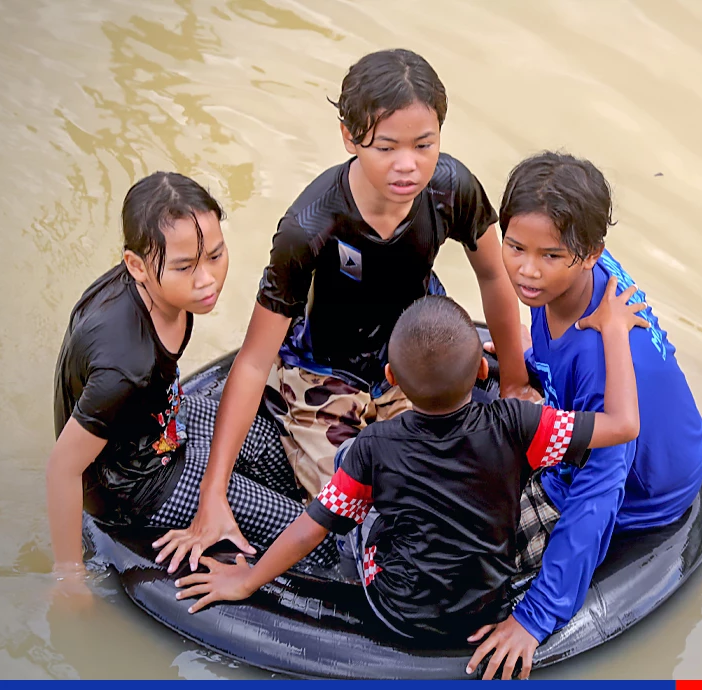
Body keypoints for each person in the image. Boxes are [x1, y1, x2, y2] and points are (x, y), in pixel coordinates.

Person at [153, 49, 537, 574]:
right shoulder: (310, 226)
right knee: (366, 508)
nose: (409, 165)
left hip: (415, 359)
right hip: (324, 371)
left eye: (424, 145)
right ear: (349, 137)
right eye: (386, 147)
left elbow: (493, 275)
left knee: (458, 488)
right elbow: (252, 359)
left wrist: (513, 379)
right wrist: (212, 495)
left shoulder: (451, 189)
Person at [173, 288, 646, 657]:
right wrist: (615, 333)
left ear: (392, 379)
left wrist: (250, 579)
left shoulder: (372, 448)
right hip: (489, 604)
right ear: (484, 369)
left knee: (345, 476)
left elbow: (309, 528)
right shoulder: (518, 423)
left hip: (399, 610)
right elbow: (624, 425)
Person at [467, 151, 702, 678]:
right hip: (595, 426)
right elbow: (554, 346)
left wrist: (534, 619)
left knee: (460, 530)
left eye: (550, 255)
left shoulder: (601, 358)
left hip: (639, 492)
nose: (527, 270)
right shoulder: (558, 279)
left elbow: (599, 493)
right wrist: (520, 366)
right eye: (514, 247)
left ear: (591, 253)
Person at [48, 172, 335, 606]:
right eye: (186, 267)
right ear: (136, 266)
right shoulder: (126, 367)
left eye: (216, 256)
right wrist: (69, 577)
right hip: (139, 487)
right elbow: (62, 469)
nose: (208, 280)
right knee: (318, 535)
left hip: (162, 424)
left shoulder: (157, 292)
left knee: (271, 451)